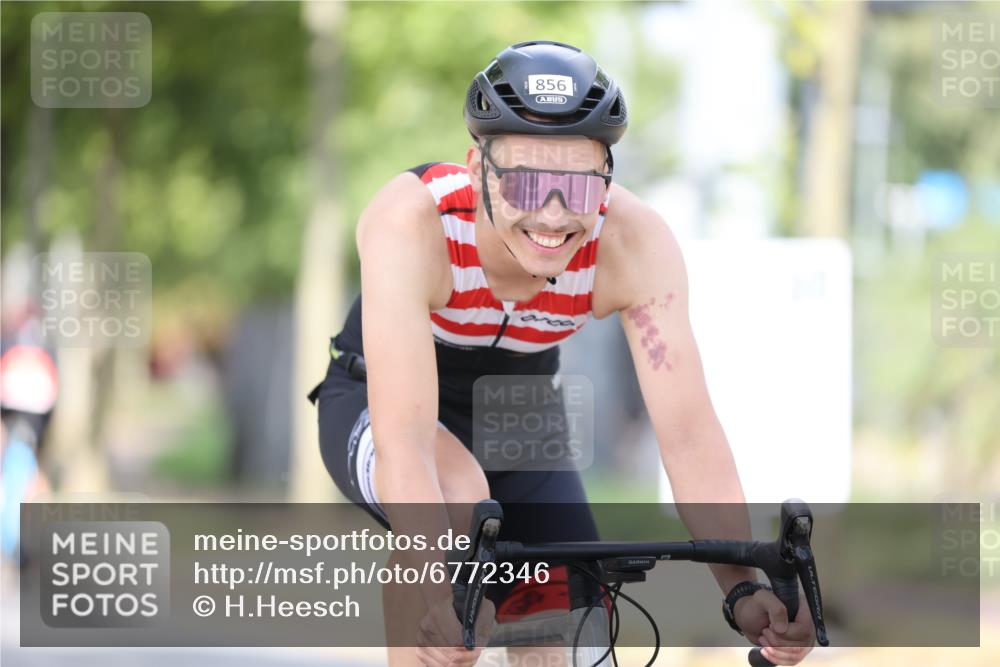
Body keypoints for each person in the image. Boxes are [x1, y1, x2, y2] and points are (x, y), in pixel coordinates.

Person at [311, 40, 816, 666]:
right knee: (455, 517)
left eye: (577, 188)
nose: (551, 215)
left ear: (607, 182)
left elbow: (688, 435)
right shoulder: (410, 223)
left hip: (520, 408)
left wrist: (742, 585)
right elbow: (407, 442)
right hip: (380, 398)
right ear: (477, 170)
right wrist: (437, 588)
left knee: (567, 620)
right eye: (524, 182)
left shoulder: (632, 243)